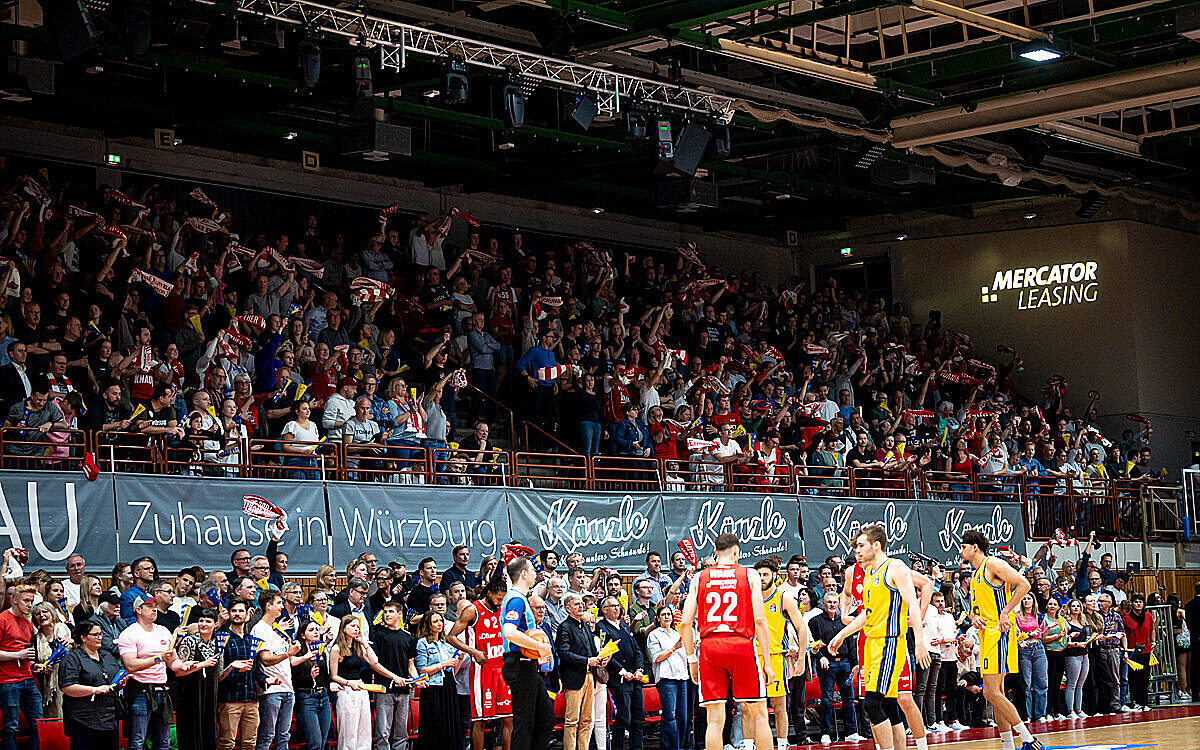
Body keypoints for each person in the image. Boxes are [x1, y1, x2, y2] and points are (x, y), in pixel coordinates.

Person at [827, 526, 931, 750]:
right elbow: (867, 613)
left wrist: (920, 640)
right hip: (871, 644)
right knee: (889, 704)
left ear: (877, 545)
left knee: (872, 704)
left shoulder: (895, 567)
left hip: (890, 641)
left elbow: (913, 602)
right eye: (855, 547)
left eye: (861, 546)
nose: (857, 551)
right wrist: (843, 633)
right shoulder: (868, 575)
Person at [679, 533, 774, 750]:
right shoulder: (749, 575)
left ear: (715, 552)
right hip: (741, 644)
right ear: (736, 551)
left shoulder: (699, 577)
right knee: (759, 713)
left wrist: (692, 659)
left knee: (714, 718)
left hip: (710, 647)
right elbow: (759, 620)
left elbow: (685, 623)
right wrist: (767, 662)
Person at [959, 530, 1044, 750]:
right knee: (996, 694)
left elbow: (1024, 583)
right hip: (986, 634)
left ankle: (1028, 739)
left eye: (963, 547)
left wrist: (1006, 611)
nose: (961, 551)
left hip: (1000, 634)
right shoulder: (976, 573)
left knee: (990, 692)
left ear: (974, 547)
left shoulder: (993, 564)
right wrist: (974, 617)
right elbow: (977, 609)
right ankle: (1008, 745)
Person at [117, 591, 192, 750]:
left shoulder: (163, 631)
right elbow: (130, 664)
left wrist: (186, 666)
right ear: (138, 610)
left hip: (162, 690)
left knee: (163, 742)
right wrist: (158, 658)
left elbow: (173, 661)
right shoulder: (129, 634)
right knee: (138, 741)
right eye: (149, 606)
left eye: (155, 607)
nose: (154, 610)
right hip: (140, 690)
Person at [445, 576, 513, 750]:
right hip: (482, 671)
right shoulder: (472, 610)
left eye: (503, 599)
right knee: (480, 720)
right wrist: (473, 651)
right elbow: (450, 637)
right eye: (498, 599)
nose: (500, 603)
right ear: (488, 593)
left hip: (502, 669)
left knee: (508, 718)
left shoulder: (503, 609)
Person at [498, 557, 555, 750]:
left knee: (546, 718)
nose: (534, 573)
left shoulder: (519, 597)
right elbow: (509, 632)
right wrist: (539, 647)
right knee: (524, 725)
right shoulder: (515, 599)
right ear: (524, 574)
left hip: (527, 665)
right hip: (519, 664)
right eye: (531, 570)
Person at [753, 557, 809, 750]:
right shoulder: (749, 597)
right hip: (752, 658)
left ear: (775, 575)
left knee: (779, 706)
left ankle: (783, 743)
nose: (761, 578)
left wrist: (801, 657)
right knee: (750, 708)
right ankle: (751, 744)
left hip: (776, 657)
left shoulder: (783, 598)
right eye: (758, 574)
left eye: (765, 574)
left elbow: (802, 628)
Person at [329, 615, 403, 750]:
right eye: (352, 626)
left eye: (358, 626)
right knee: (349, 731)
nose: (356, 629)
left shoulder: (358, 647)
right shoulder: (337, 648)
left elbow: (374, 661)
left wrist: (364, 642)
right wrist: (348, 683)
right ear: (344, 628)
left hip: (362, 689)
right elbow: (333, 675)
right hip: (347, 690)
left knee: (364, 730)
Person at [59, 619, 126, 750]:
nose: (100, 637)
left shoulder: (107, 656)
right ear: (83, 638)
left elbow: (115, 678)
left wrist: (121, 683)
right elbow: (67, 688)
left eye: (101, 634)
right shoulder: (72, 658)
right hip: (83, 719)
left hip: (108, 718)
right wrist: (94, 690)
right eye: (95, 635)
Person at [251, 590, 303, 750]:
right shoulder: (259, 629)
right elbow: (265, 660)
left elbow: (288, 659)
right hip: (271, 690)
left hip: (287, 686)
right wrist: (288, 653)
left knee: (284, 736)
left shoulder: (276, 628)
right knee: (267, 735)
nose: (282, 607)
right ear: (268, 606)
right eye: (279, 603)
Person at [808, 591, 861, 744]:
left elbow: (851, 644)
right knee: (826, 699)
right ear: (823, 604)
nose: (832, 605)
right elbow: (812, 643)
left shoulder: (845, 621)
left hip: (845, 664)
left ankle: (851, 732)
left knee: (849, 698)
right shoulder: (815, 622)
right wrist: (820, 657)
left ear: (838, 604)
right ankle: (825, 733)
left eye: (835, 602)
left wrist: (855, 663)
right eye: (829, 602)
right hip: (827, 665)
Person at [555, 591, 605, 750]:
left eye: (582, 603)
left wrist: (601, 657)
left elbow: (592, 651)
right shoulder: (564, 627)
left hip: (590, 676)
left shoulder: (584, 626)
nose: (581, 606)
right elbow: (563, 653)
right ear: (567, 608)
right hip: (574, 678)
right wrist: (586, 660)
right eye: (576, 604)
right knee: (571, 721)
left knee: (586, 720)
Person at [597, 594, 644, 750]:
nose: (617, 608)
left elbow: (637, 649)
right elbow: (606, 654)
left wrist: (639, 668)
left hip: (635, 677)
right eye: (612, 606)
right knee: (624, 718)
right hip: (619, 680)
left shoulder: (624, 626)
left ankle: (636, 747)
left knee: (638, 718)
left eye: (618, 605)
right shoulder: (601, 627)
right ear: (604, 610)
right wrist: (623, 672)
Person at [413, 611, 464, 750]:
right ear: (428, 624)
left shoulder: (445, 642)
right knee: (435, 721)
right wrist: (442, 664)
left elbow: (453, 670)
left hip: (448, 683)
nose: (439, 623)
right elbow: (422, 670)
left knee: (450, 720)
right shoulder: (422, 643)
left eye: (440, 620)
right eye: (435, 621)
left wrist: (458, 660)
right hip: (433, 685)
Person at [0, 584, 41, 750]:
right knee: (11, 727)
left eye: (31, 601)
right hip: (8, 680)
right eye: (26, 601)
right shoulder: (2, 619)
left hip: (27, 677)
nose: (30, 605)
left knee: (38, 723)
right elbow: (19, 653)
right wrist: (17, 655)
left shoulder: (27, 623)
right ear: (14, 600)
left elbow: (25, 653)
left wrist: (35, 665)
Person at [372, 602, 417, 750]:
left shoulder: (408, 637)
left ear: (399, 614)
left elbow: (411, 665)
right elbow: (374, 664)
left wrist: (417, 680)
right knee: (383, 732)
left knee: (401, 731)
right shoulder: (379, 636)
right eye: (385, 612)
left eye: (391, 611)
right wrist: (393, 677)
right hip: (384, 688)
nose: (387, 615)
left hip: (404, 689)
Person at [175, 609, 222, 750]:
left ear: (216, 624)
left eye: (208, 621)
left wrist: (232, 666)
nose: (203, 624)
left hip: (210, 693)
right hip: (190, 693)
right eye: (201, 620)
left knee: (208, 730)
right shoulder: (189, 641)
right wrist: (201, 665)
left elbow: (219, 673)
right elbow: (178, 671)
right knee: (191, 732)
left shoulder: (219, 642)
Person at [217, 600, 259, 750]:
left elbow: (257, 668)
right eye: (234, 611)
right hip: (230, 699)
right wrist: (232, 666)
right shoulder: (221, 638)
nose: (237, 614)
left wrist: (267, 679)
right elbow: (217, 674)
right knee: (227, 743)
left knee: (250, 743)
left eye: (241, 611)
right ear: (228, 614)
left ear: (247, 615)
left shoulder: (251, 639)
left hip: (252, 699)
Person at [646, 605, 689, 750]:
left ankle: (680, 745)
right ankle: (669, 747)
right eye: (663, 614)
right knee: (670, 717)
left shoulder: (677, 633)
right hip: (666, 678)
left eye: (669, 614)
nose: (666, 617)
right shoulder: (654, 635)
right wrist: (673, 648)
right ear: (657, 618)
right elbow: (657, 657)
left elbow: (684, 657)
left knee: (682, 717)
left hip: (681, 677)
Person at [292, 619, 331, 750]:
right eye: (311, 630)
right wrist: (310, 677)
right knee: (314, 743)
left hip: (323, 697)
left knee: (323, 742)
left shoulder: (322, 651)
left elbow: (325, 675)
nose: (316, 632)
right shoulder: (298, 653)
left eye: (316, 629)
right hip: (307, 698)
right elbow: (294, 679)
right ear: (303, 635)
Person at [1015, 593, 1048, 722]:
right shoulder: (1017, 616)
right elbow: (1016, 635)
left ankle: (1040, 714)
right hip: (1025, 649)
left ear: (1034, 601)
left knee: (1042, 683)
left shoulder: (1040, 616)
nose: (1026, 601)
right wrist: (1028, 634)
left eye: (1029, 598)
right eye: (1023, 599)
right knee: (1026, 684)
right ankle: (1026, 715)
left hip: (1039, 647)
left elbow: (1043, 636)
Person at [1123, 593, 1155, 710]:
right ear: (1132, 604)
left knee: (1145, 677)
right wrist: (1125, 650)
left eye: (1140, 601)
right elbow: (1124, 634)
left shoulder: (1148, 616)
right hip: (1132, 651)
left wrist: (1153, 641)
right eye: (1136, 601)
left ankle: (1145, 703)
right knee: (1133, 678)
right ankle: (1135, 701)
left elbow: (1152, 629)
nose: (1138, 603)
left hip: (1146, 650)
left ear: (1143, 603)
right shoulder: (1127, 618)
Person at [1062, 599, 1092, 718]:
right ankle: (1070, 711)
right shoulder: (1066, 622)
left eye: (1078, 606)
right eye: (1073, 606)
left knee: (1081, 684)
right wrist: (1075, 642)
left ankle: (1079, 710)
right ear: (1070, 608)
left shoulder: (1082, 622)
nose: (1076, 608)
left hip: (1084, 654)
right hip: (1073, 655)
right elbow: (1064, 641)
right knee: (1072, 684)